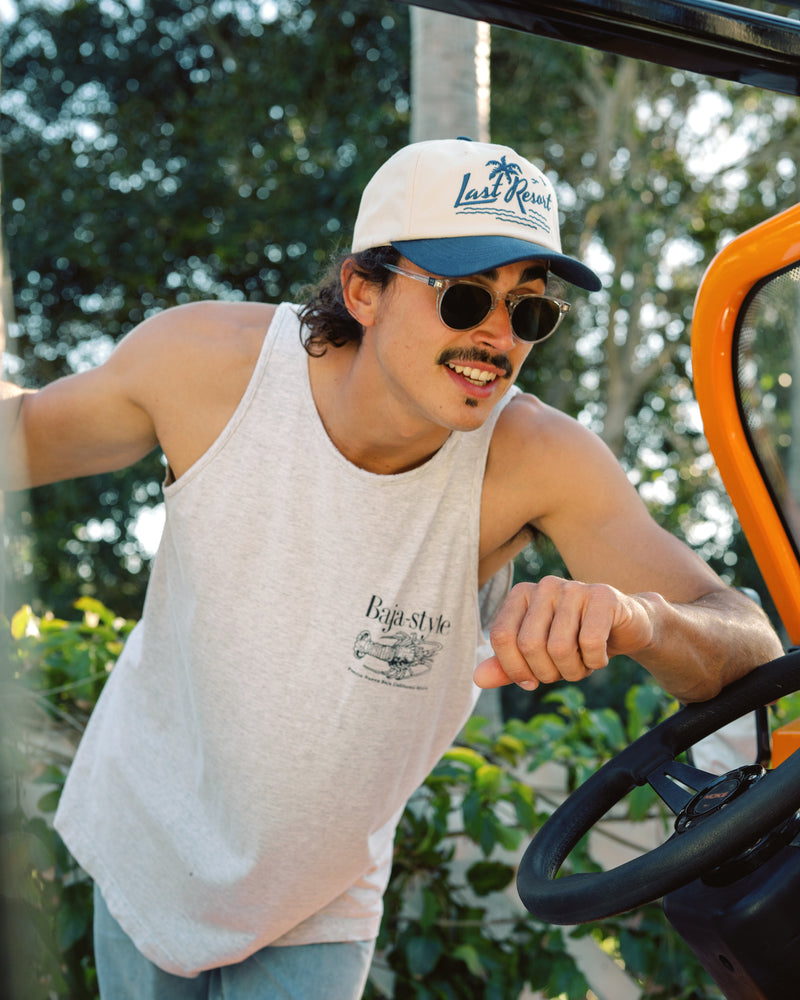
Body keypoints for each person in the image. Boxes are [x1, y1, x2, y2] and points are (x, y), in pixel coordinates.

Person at [0, 138, 783, 998]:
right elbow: (22, 437)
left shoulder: (536, 459)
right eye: (464, 297)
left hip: (317, 897)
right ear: (362, 289)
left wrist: (641, 621)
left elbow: (748, 645)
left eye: (529, 311)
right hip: (144, 842)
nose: (497, 335)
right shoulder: (204, 369)